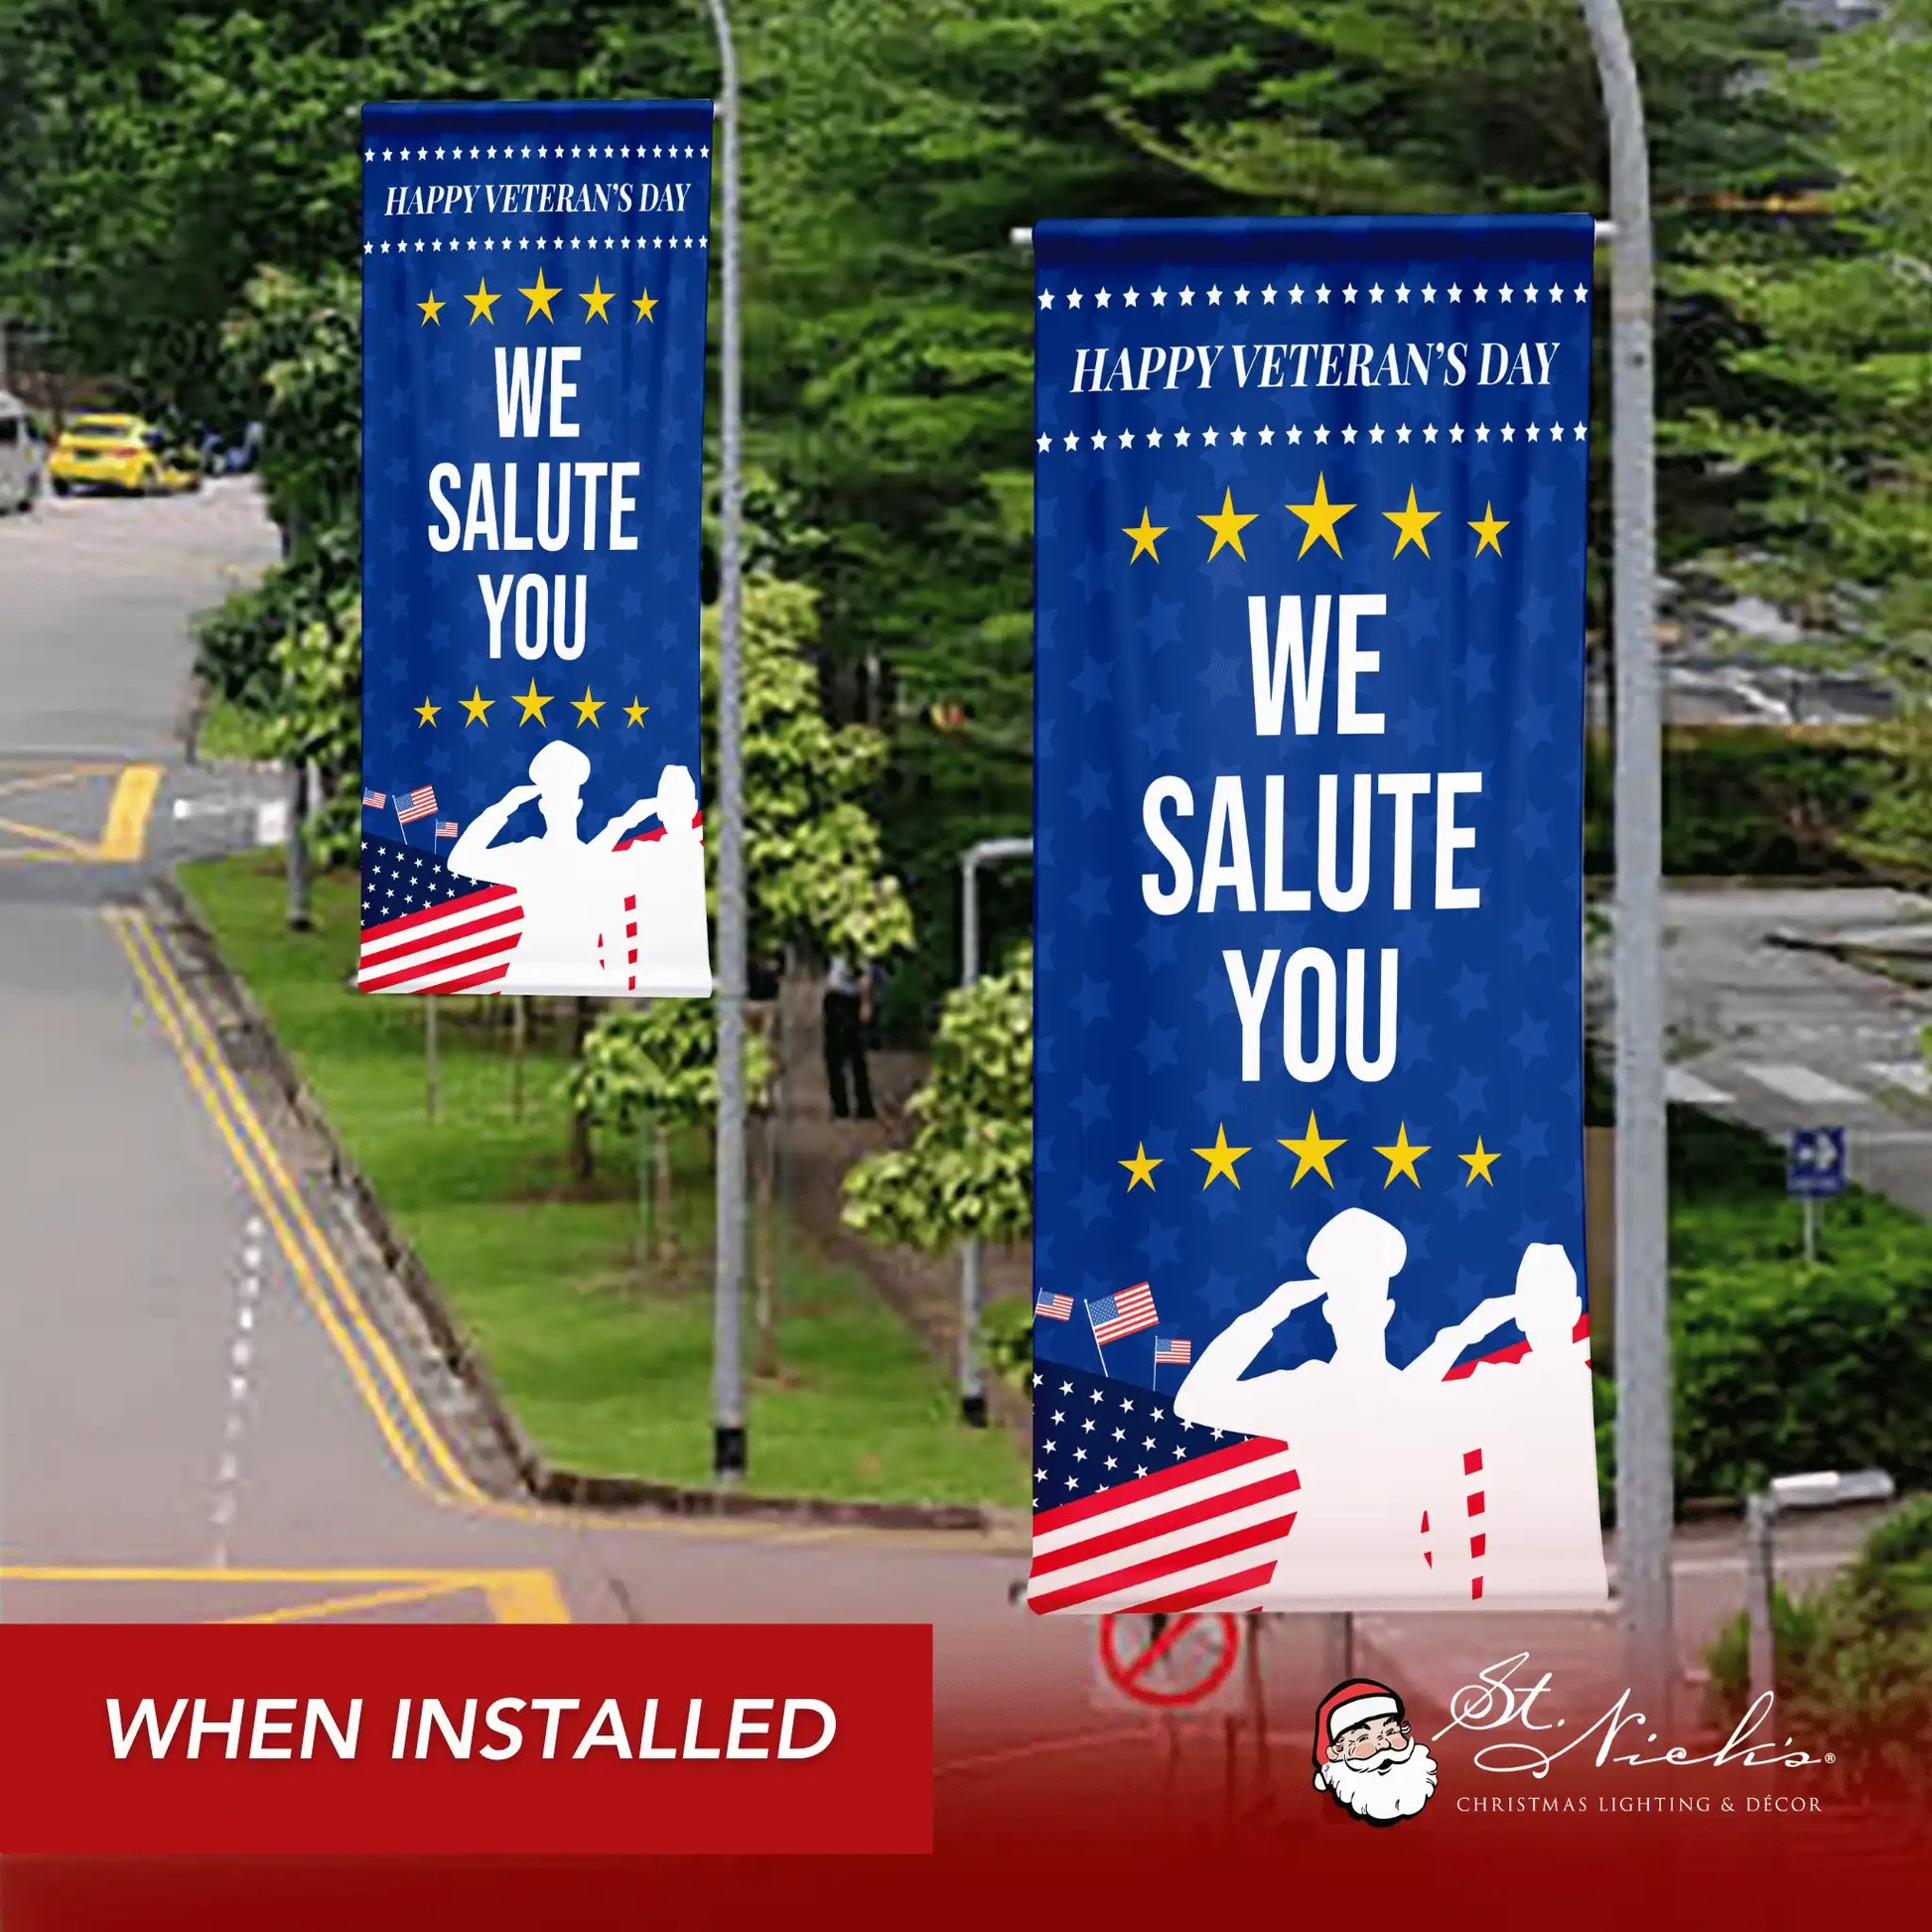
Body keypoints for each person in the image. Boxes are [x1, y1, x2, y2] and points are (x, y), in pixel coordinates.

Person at [1432, 1244, 1608, 1601]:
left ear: (1574, 1309)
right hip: (1509, 1571)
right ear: (1521, 1316)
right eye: (1535, 1304)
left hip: (1562, 1570)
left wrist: (1466, 1334)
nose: (1546, 1317)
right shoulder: (1498, 1381)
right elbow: (1411, 1397)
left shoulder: (1582, 1381)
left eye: (1553, 1302)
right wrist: (1465, 1334)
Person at [446, 740, 617, 992]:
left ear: (578, 806)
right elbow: (459, 860)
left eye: (565, 800)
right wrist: (504, 808)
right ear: (542, 806)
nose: (560, 809)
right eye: (554, 800)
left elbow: (611, 927)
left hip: (583, 972)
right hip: (532, 972)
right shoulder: (529, 854)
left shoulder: (595, 859)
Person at [597, 763, 714, 997]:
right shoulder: (646, 852)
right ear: (659, 811)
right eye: (668, 804)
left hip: (690, 970)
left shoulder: (704, 855)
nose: (675, 811)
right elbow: (592, 863)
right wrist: (625, 822)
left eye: (680, 803)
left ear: (692, 808)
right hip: (651, 972)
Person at [822, 953, 875, 1120]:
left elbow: (864, 976)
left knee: (854, 1054)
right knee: (836, 1056)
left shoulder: (854, 949)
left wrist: (865, 1003)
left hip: (848, 999)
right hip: (836, 997)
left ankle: (861, 1105)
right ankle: (842, 1105)